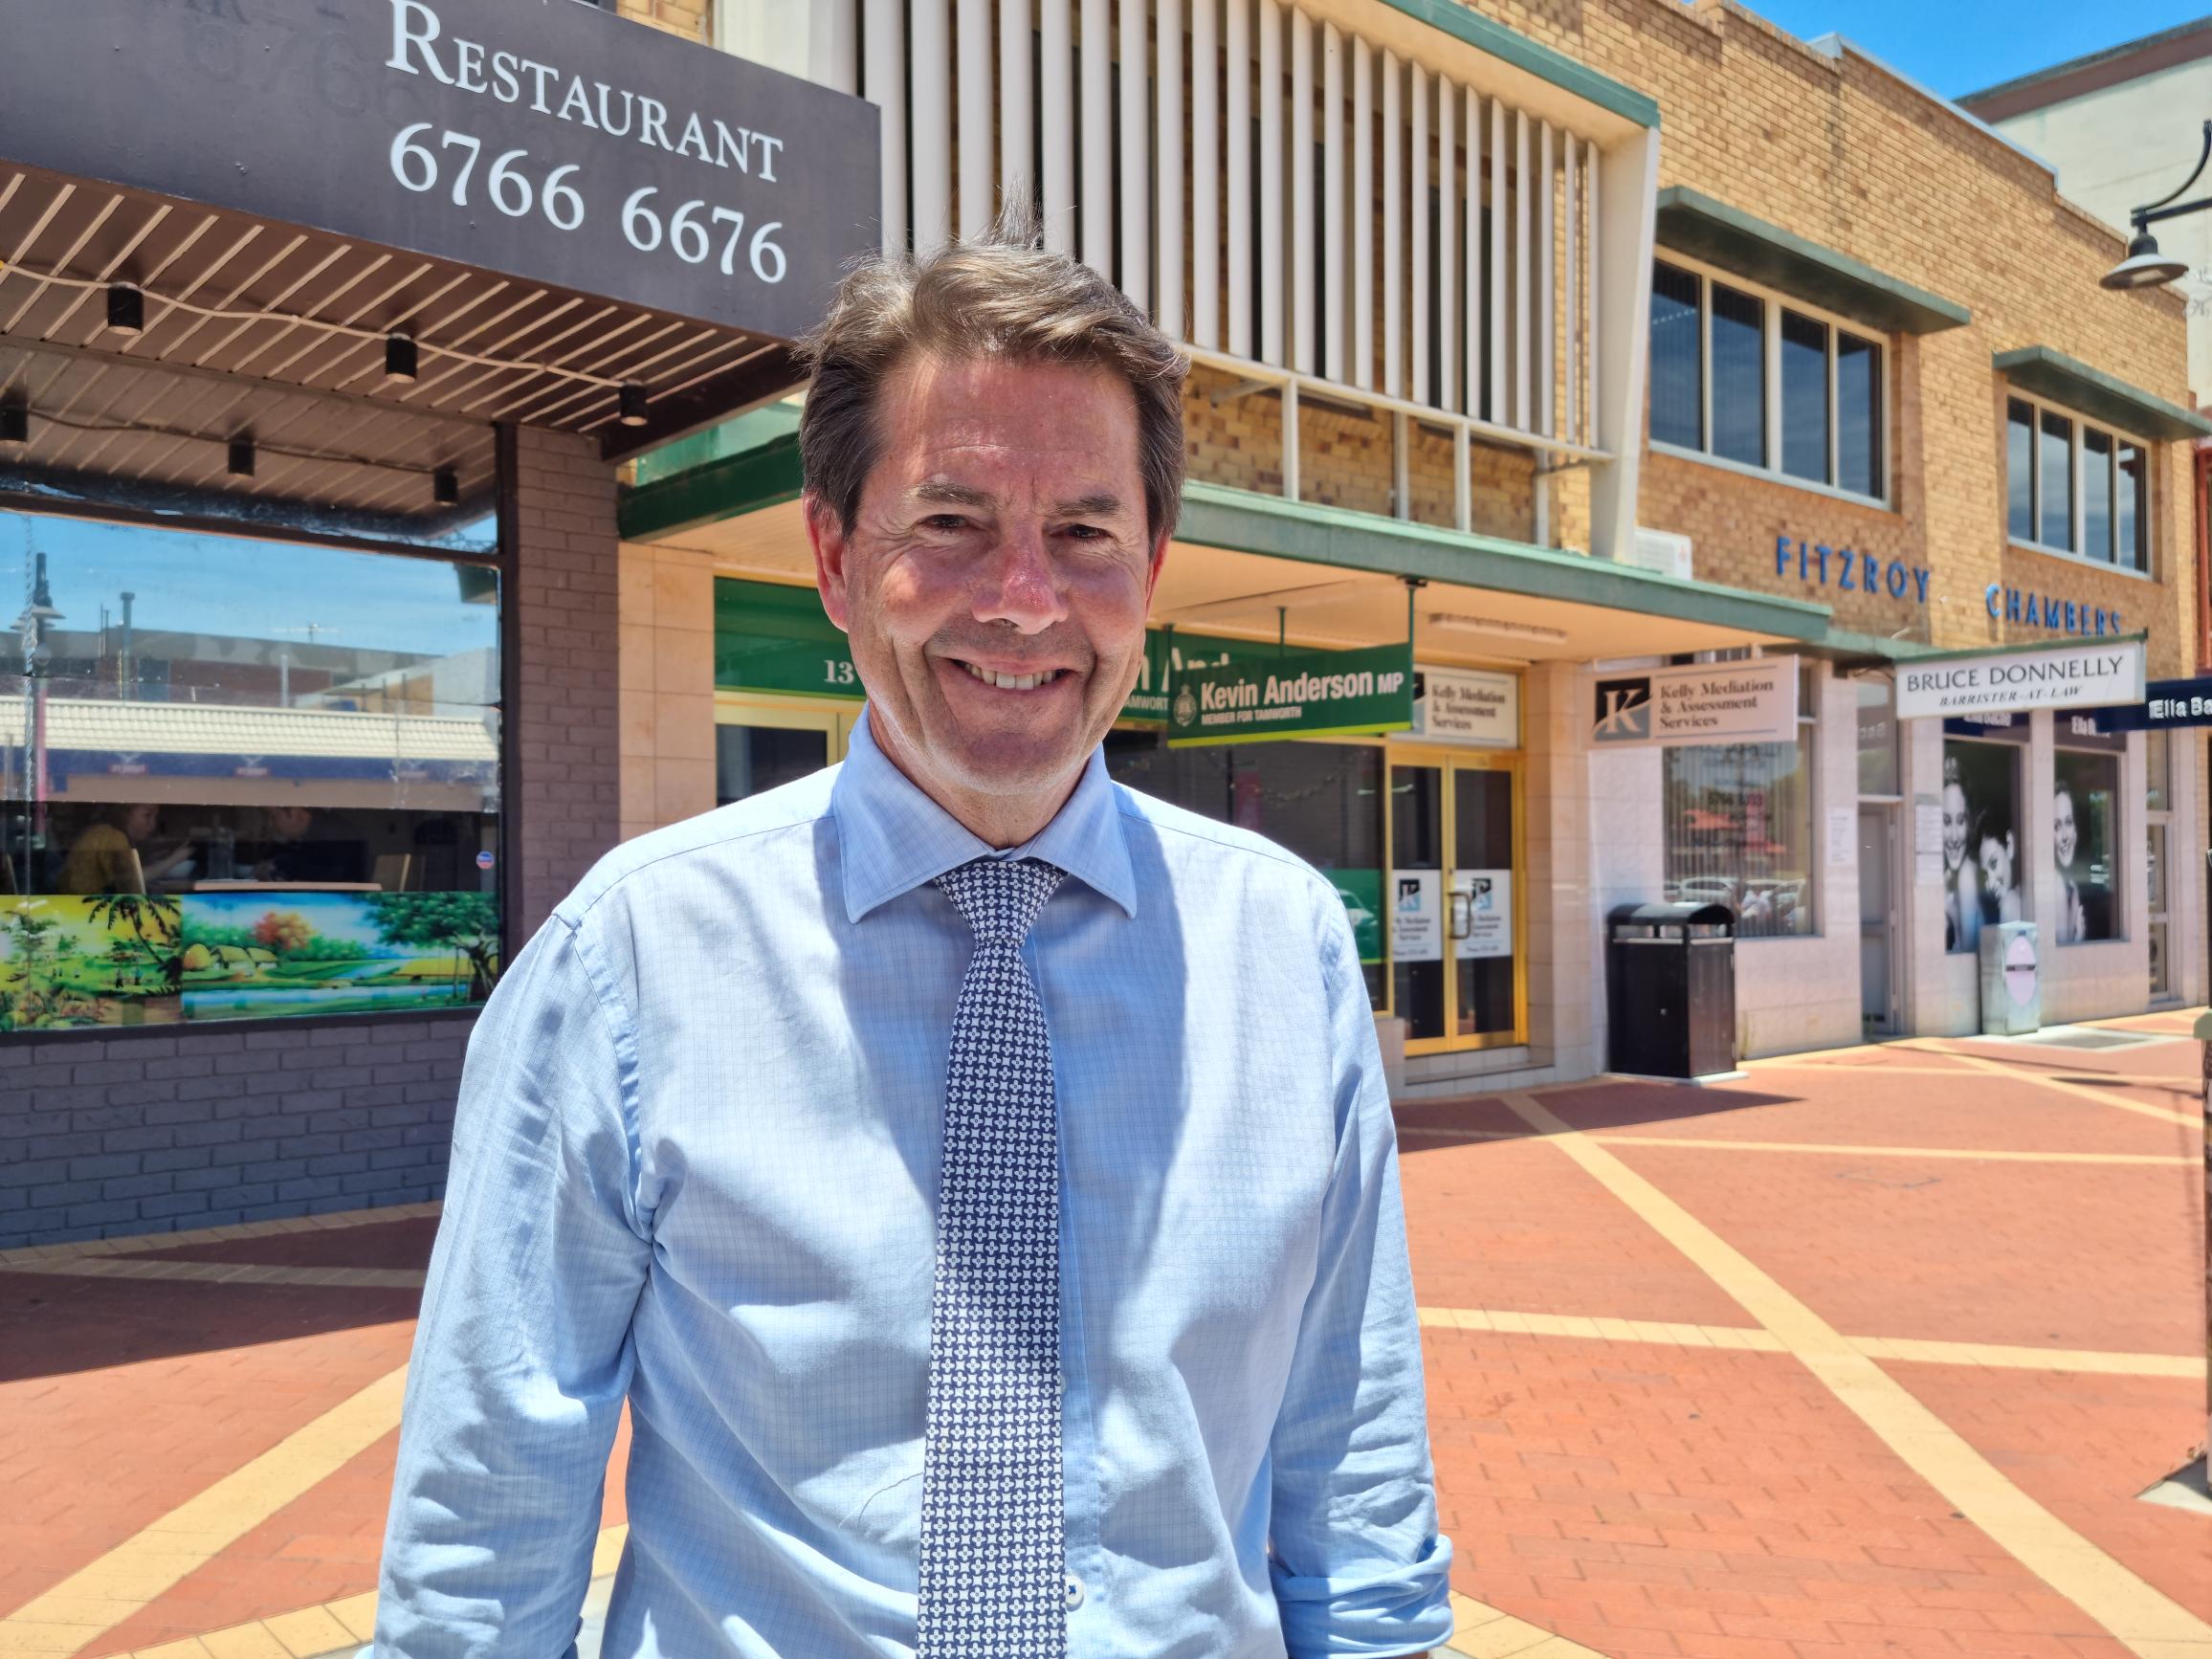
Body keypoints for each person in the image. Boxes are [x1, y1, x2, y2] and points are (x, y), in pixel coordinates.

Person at [373, 221, 1453, 1657]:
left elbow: (1353, 1464)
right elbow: (486, 1527)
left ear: (1154, 563)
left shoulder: (1288, 946)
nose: (1024, 596)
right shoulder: (630, 958)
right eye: (949, 522)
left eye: (1084, 531)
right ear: (833, 555)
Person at [57, 802, 191, 895]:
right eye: (147, 815)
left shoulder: (103, 832)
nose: (153, 824)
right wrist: (176, 858)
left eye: (155, 817)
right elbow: (133, 881)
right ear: (124, 814)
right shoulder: (113, 837)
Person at [1940, 757, 1981, 954]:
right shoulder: (1950, 877)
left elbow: (1967, 951)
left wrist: (1953, 917)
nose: (1955, 837)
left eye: (1961, 820)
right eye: (1946, 822)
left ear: (1970, 822)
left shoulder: (1966, 875)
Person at [2051, 783, 2087, 945]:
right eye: (2056, 827)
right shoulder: (2056, 885)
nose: (2065, 836)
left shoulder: (2071, 887)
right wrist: (2078, 939)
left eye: (2069, 823)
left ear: (2076, 832)